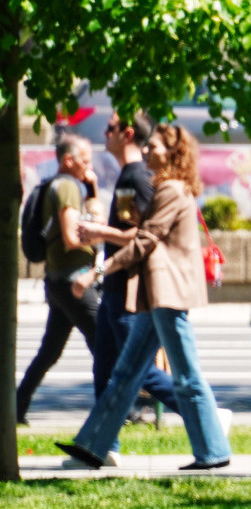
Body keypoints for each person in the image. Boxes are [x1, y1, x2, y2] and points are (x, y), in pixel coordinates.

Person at [57, 123, 232, 471]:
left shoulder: (172, 191)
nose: (147, 150)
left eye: (153, 146)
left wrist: (98, 270)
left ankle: (213, 450)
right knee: (125, 375)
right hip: (156, 296)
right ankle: (93, 447)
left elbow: (144, 242)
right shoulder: (165, 187)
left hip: (168, 294)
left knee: (185, 375)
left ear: (173, 153)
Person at [91, 110, 180, 426]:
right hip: (115, 288)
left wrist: (98, 233)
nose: (105, 133)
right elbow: (130, 225)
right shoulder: (128, 176)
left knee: (139, 369)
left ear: (128, 134)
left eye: (110, 128)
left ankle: (203, 413)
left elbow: (143, 233)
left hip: (127, 289)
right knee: (104, 368)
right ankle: (101, 444)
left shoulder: (138, 177)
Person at [16, 134, 104, 426]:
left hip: (57, 281)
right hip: (74, 281)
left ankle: (17, 407)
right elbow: (69, 237)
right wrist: (101, 237)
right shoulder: (66, 186)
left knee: (50, 351)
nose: (89, 168)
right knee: (105, 344)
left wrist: (91, 189)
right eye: (86, 161)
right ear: (69, 160)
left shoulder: (61, 185)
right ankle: (114, 412)